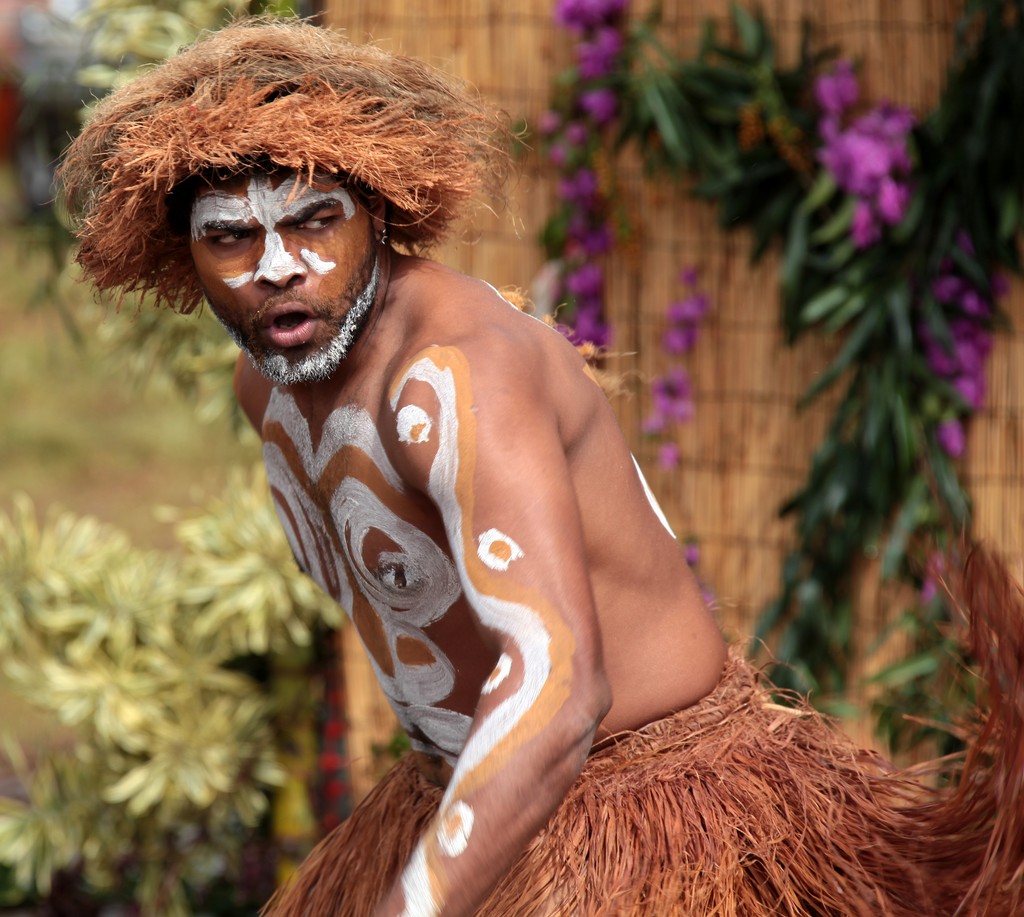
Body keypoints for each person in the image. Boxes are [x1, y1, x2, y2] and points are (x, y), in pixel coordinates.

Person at [59, 17, 1024, 917]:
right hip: (459, 784)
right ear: (184, 254)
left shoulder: (454, 379)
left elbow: (559, 690)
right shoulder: (265, 381)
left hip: (640, 808)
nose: (277, 267)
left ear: (379, 213)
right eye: (230, 237)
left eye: (314, 221)